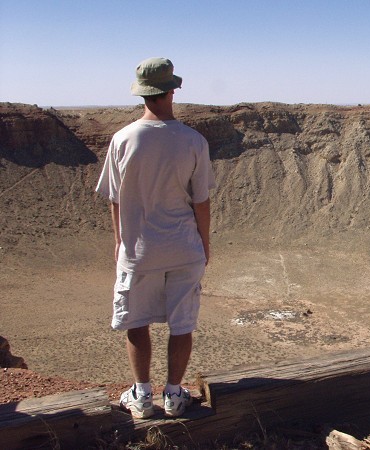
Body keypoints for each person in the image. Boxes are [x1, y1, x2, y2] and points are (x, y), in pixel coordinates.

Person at [96, 57, 216, 419]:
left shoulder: (122, 140)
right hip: (183, 248)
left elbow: (116, 200)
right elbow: (201, 202)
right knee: (183, 324)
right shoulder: (193, 141)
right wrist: (204, 245)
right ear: (172, 89)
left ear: (142, 94)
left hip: (139, 250)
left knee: (137, 320)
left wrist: (120, 243)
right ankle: (176, 395)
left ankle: (142, 396)